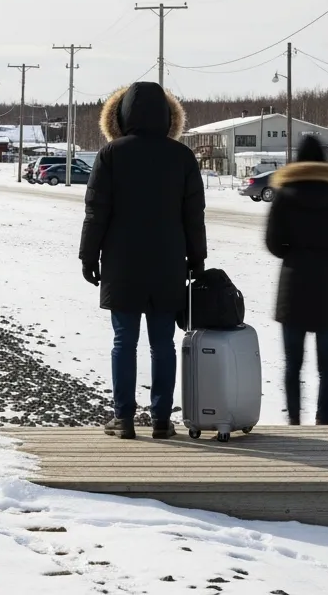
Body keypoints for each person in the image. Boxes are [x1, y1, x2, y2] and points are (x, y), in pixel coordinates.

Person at [80, 81, 207, 439]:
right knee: (162, 344)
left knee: (124, 341)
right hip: (168, 262)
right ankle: (162, 420)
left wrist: (88, 255)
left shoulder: (111, 154)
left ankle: (123, 419)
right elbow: (193, 214)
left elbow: (96, 211)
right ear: (168, 116)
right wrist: (197, 257)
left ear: (120, 116)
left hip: (122, 262)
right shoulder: (181, 156)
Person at [265, 135, 328, 426]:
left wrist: (293, 253)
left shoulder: (284, 195)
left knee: (292, 366)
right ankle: (325, 422)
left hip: (293, 285)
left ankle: (294, 421)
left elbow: (272, 243)